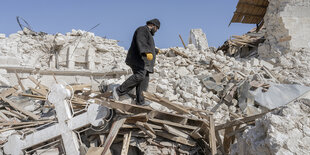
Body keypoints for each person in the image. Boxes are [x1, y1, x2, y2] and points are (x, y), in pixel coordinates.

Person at [113, 18, 160, 105]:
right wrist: (146, 51)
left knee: (144, 80)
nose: (156, 31)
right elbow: (141, 41)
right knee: (140, 75)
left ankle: (140, 101)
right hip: (137, 59)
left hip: (144, 62)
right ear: (153, 25)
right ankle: (118, 91)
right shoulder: (142, 29)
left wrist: (155, 51)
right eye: (157, 28)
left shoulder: (148, 33)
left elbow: (147, 45)